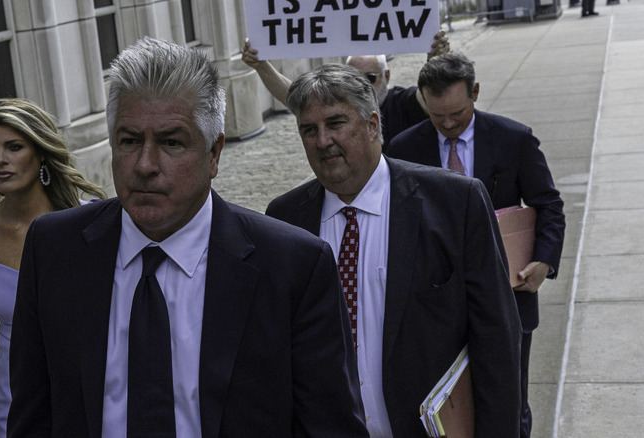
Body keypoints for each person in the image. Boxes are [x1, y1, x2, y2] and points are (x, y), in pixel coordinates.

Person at [7, 37, 368, 437]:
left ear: (214, 154)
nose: (145, 165)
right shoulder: (54, 249)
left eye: (171, 142)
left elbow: (330, 427)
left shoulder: (293, 266)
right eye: (129, 141)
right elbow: (31, 417)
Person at [266, 63, 522, 437]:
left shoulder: (455, 202)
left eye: (336, 123)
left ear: (372, 124)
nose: (322, 140)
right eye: (309, 129)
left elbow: (497, 340)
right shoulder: (284, 219)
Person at [389, 52, 566, 438]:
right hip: (434, 304)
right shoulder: (402, 148)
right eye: (437, 115)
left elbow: (549, 205)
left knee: (509, 401)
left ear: (476, 92)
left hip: (507, 295)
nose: (448, 124)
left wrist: (543, 261)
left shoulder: (514, 138)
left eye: (457, 113)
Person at [0, 98, 106, 438]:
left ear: (41, 153)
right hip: (16, 396)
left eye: (14, 147)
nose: (0, 160)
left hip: (88, 391)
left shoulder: (88, 222)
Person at [241, 30, 449, 149]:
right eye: (355, 78)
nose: (363, 85)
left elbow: (430, 99)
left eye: (370, 78)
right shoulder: (340, 104)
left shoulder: (403, 102)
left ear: (386, 76)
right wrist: (261, 66)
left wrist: (434, 60)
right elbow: (293, 95)